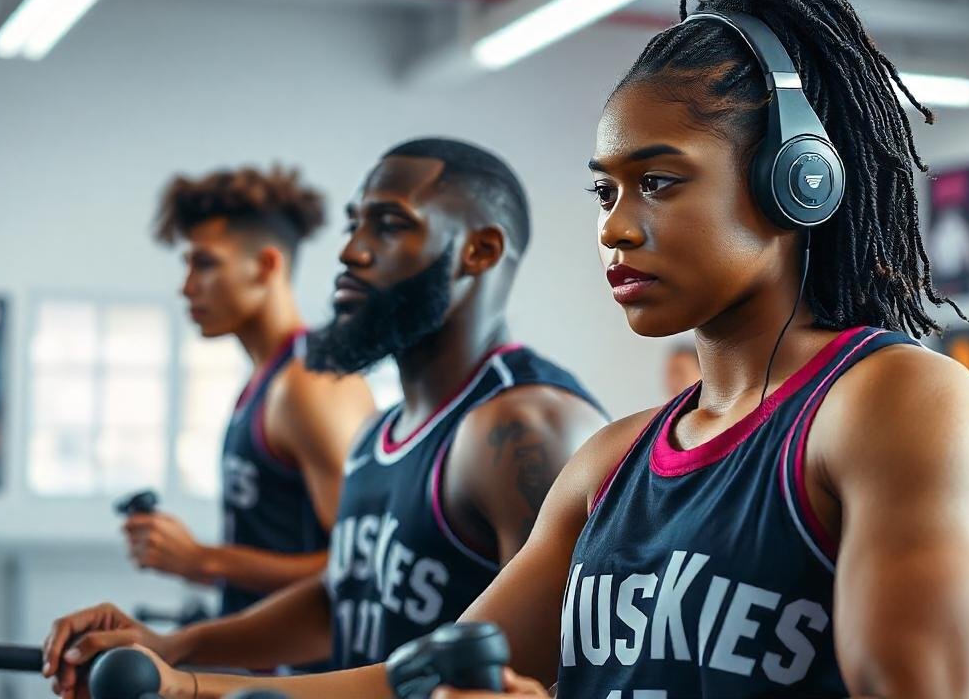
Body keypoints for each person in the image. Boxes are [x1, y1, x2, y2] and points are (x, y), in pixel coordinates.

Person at [68, 0, 969, 699]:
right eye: (605, 189)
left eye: (658, 181)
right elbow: (422, 673)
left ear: (796, 183)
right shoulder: (612, 460)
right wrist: (184, 682)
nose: (614, 225)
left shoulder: (896, 404)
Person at [41, 139, 605, 697]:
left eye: (388, 225)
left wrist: (188, 687)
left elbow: (528, 670)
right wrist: (177, 646)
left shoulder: (524, 429)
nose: (351, 252)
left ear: (477, 251)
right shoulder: (379, 433)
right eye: (353, 224)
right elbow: (342, 597)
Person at [126, 167, 376, 617]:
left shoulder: (310, 384)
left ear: (266, 266)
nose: (186, 287)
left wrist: (205, 560)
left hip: (310, 681)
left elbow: (360, 564)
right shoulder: (268, 378)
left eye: (204, 263)